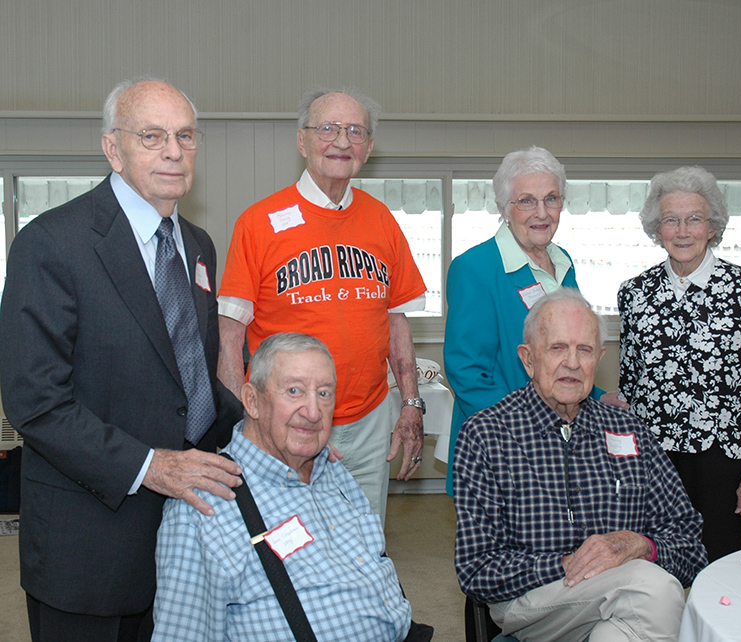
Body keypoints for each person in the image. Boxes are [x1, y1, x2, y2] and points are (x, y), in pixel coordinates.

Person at [0, 79, 243, 642]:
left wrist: (267, 431)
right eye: (152, 136)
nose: (174, 151)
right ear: (114, 148)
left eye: (185, 135)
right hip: (89, 548)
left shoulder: (199, 244)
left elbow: (192, 380)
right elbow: (35, 404)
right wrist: (150, 466)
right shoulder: (52, 243)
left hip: (185, 537)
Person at [217, 88, 427, 522]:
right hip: (288, 419)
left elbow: (396, 322)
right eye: (328, 129)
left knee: (364, 548)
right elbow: (229, 334)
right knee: (289, 552)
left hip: (369, 422)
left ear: (368, 148)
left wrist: (410, 404)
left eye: (355, 131)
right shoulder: (258, 223)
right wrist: (248, 422)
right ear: (303, 141)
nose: (342, 141)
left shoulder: (382, 220)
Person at [453, 288, 706, 642]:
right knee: (654, 588)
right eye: (557, 348)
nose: (572, 363)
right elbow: (476, 569)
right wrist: (568, 564)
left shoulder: (629, 430)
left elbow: (691, 544)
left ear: (598, 358)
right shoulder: (486, 434)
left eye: (584, 350)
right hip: (533, 602)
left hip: (622, 600)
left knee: (617, 633)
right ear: (528, 359)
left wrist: (641, 546)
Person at [152, 333, 426, 642]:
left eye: (324, 394)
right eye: (294, 391)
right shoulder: (203, 505)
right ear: (252, 401)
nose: (313, 412)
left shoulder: (332, 471)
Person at [617, 166, 741, 562]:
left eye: (694, 219)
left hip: (721, 457)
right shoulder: (634, 294)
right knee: (652, 563)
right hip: (652, 459)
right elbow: (629, 385)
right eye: (671, 220)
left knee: (720, 562)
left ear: (713, 227)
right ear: (657, 229)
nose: (683, 230)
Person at [443, 145, 624, 494]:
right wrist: (528, 431)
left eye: (551, 199)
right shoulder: (476, 269)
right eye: (526, 201)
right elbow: (468, 373)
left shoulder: (563, 262)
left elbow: (564, 352)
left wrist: (598, 397)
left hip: (561, 446)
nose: (541, 212)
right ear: (504, 209)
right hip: (503, 451)